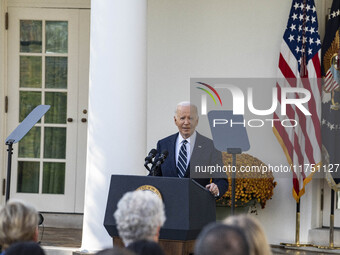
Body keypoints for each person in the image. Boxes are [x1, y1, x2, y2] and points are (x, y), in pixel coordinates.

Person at [154, 101, 228, 197]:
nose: (186, 122)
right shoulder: (163, 144)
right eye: (182, 118)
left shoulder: (211, 147)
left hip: (197, 206)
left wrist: (216, 188)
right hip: (168, 206)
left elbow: (221, 180)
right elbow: (154, 175)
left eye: (190, 118)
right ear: (175, 120)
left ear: (197, 120)